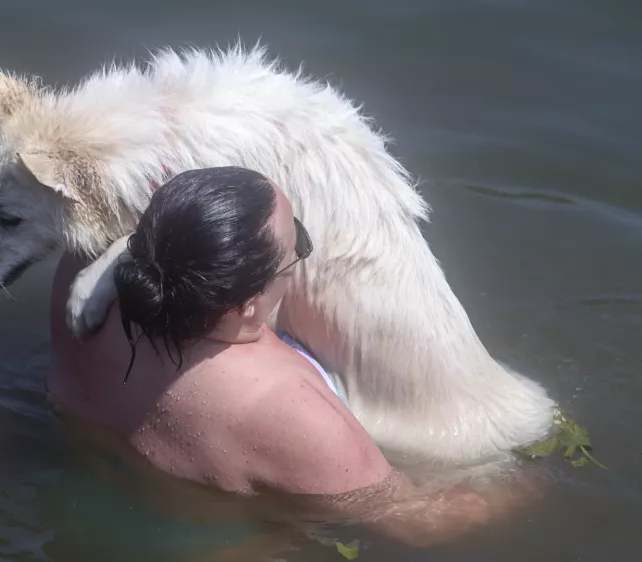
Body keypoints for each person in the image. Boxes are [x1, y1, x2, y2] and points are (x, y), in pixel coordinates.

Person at [47, 167, 530, 547]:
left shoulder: (78, 278)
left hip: (79, 489)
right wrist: (530, 477)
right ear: (246, 303)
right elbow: (419, 521)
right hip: (211, 547)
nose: (303, 249)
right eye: (298, 240)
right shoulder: (288, 412)